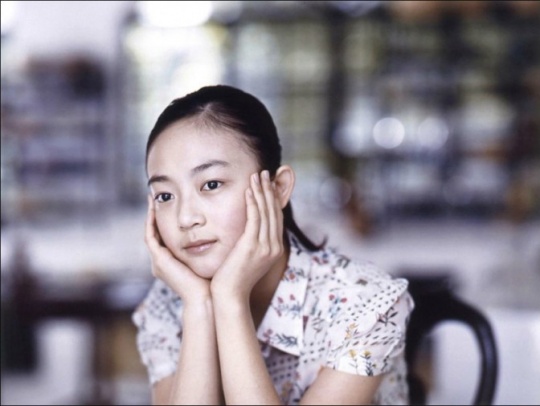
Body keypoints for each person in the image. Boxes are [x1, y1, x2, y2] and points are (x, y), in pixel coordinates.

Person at [132, 85, 414, 405]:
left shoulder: (365, 303)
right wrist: (199, 307)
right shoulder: (171, 303)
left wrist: (229, 299)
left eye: (211, 184)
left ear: (278, 188)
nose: (185, 218)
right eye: (164, 196)